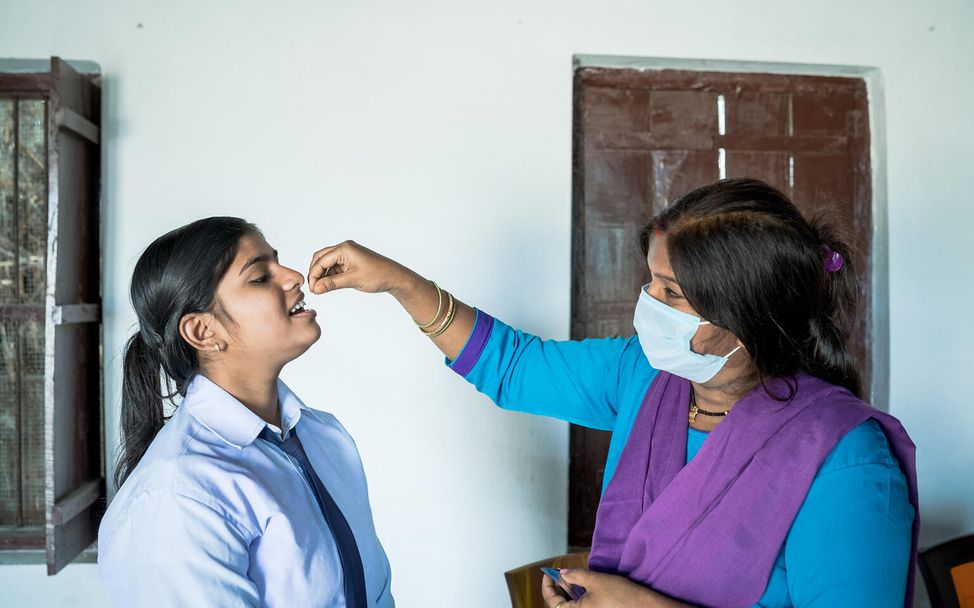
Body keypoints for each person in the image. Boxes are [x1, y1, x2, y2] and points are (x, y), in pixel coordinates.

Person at [305, 179, 918, 607]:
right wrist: (395, 282)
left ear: (744, 315)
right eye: (649, 283)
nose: (647, 306)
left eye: (670, 293)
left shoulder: (848, 461)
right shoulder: (646, 375)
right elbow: (514, 367)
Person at [98, 217, 393, 607]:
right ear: (203, 331)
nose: (293, 277)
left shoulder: (326, 436)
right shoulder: (177, 497)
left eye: (279, 262)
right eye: (259, 277)